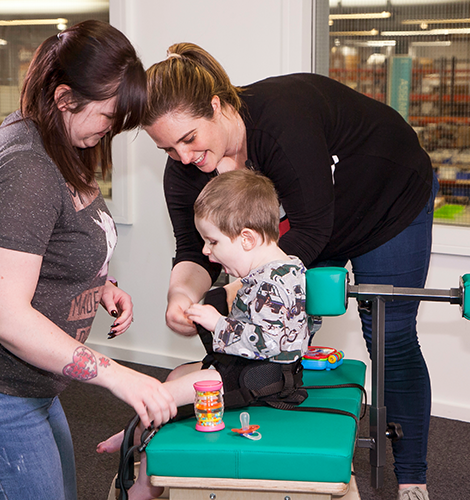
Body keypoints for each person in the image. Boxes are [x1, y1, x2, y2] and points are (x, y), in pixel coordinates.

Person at [142, 43, 440, 500]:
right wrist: (180, 297)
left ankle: (412, 475)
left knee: (390, 335)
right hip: (308, 226)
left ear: (217, 106)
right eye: (166, 147)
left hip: (386, 200)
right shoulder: (184, 170)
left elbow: (313, 229)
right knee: (273, 334)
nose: (182, 157)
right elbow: (194, 250)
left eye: (189, 139)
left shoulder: (281, 122)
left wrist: (239, 293)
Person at [0, 21, 181, 500]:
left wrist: (97, 284)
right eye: (107, 116)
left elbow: (43, 244)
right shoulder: (29, 167)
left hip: (35, 387)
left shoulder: (60, 146)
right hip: (6, 393)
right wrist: (117, 375)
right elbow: (6, 313)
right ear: (64, 99)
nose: (111, 130)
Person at [99, 168, 314, 500]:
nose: (205, 251)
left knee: (162, 396)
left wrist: (217, 324)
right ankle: (140, 429)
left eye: (213, 241)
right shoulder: (282, 268)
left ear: (247, 238)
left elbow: (274, 344)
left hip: (261, 378)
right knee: (176, 376)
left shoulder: (274, 281)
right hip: (248, 370)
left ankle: (145, 478)